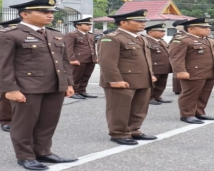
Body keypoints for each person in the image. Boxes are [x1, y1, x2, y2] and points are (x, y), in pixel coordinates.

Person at [0, 0, 76, 170]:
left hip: (54, 86)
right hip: (26, 87)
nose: (50, 15)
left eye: (51, 12)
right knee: (24, 123)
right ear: (25, 14)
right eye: (44, 12)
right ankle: (25, 156)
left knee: (48, 121)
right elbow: (1, 65)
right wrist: (9, 89)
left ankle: (43, 151)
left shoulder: (55, 34)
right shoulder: (9, 35)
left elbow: (64, 62)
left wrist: (68, 84)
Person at [97, 9, 157, 145]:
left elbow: (145, 59)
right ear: (123, 22)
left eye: (144, 21)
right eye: (139, 21)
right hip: (122, 80)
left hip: (142, 79)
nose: (143, 24)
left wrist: (150, 75)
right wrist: (115, 80)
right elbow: (107, 61)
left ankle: (133, 130)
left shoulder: (141, 38)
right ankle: (119, 133)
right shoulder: (113, 37)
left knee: (139, 108)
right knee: (120, 108)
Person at [168, 17, 214, 124]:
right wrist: (180, 71)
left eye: (208, 27)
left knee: (204, 93)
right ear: (191, 29)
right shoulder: (182, 40)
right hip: (193, 72)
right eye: (203, 27)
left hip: (209, 71)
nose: (208, 29)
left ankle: (199, 112)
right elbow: (175, 57)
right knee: (190, 94)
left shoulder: (208, 40)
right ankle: (187, 114)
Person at [0, 17, 21, 132]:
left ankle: (20, 120)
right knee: (6, 97)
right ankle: (6, 120)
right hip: (6, 73)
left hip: (24, 72)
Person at [63, 17, 98, 100]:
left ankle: (82, 91)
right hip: (78, 60)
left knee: (86, 76)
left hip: (90, 60)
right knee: (75, 77)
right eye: (87, 24)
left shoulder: (90, 35)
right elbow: (68, 48)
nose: (89, 26)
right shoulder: (72, 35)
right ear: (78, 26)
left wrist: (95, 58)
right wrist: (72, 59)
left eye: (90, 24)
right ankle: (74, 92)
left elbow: (93, 47)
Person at [143, 23, 173, 105]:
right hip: (154, 67)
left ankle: (157, 96)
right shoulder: (145, 41)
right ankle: (149, 98)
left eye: (164, 31)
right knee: (152, 84)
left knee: (161, 83)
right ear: (150, 32)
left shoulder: (161, 41)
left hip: (164, 66)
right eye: (160, 31)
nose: (163, 33)